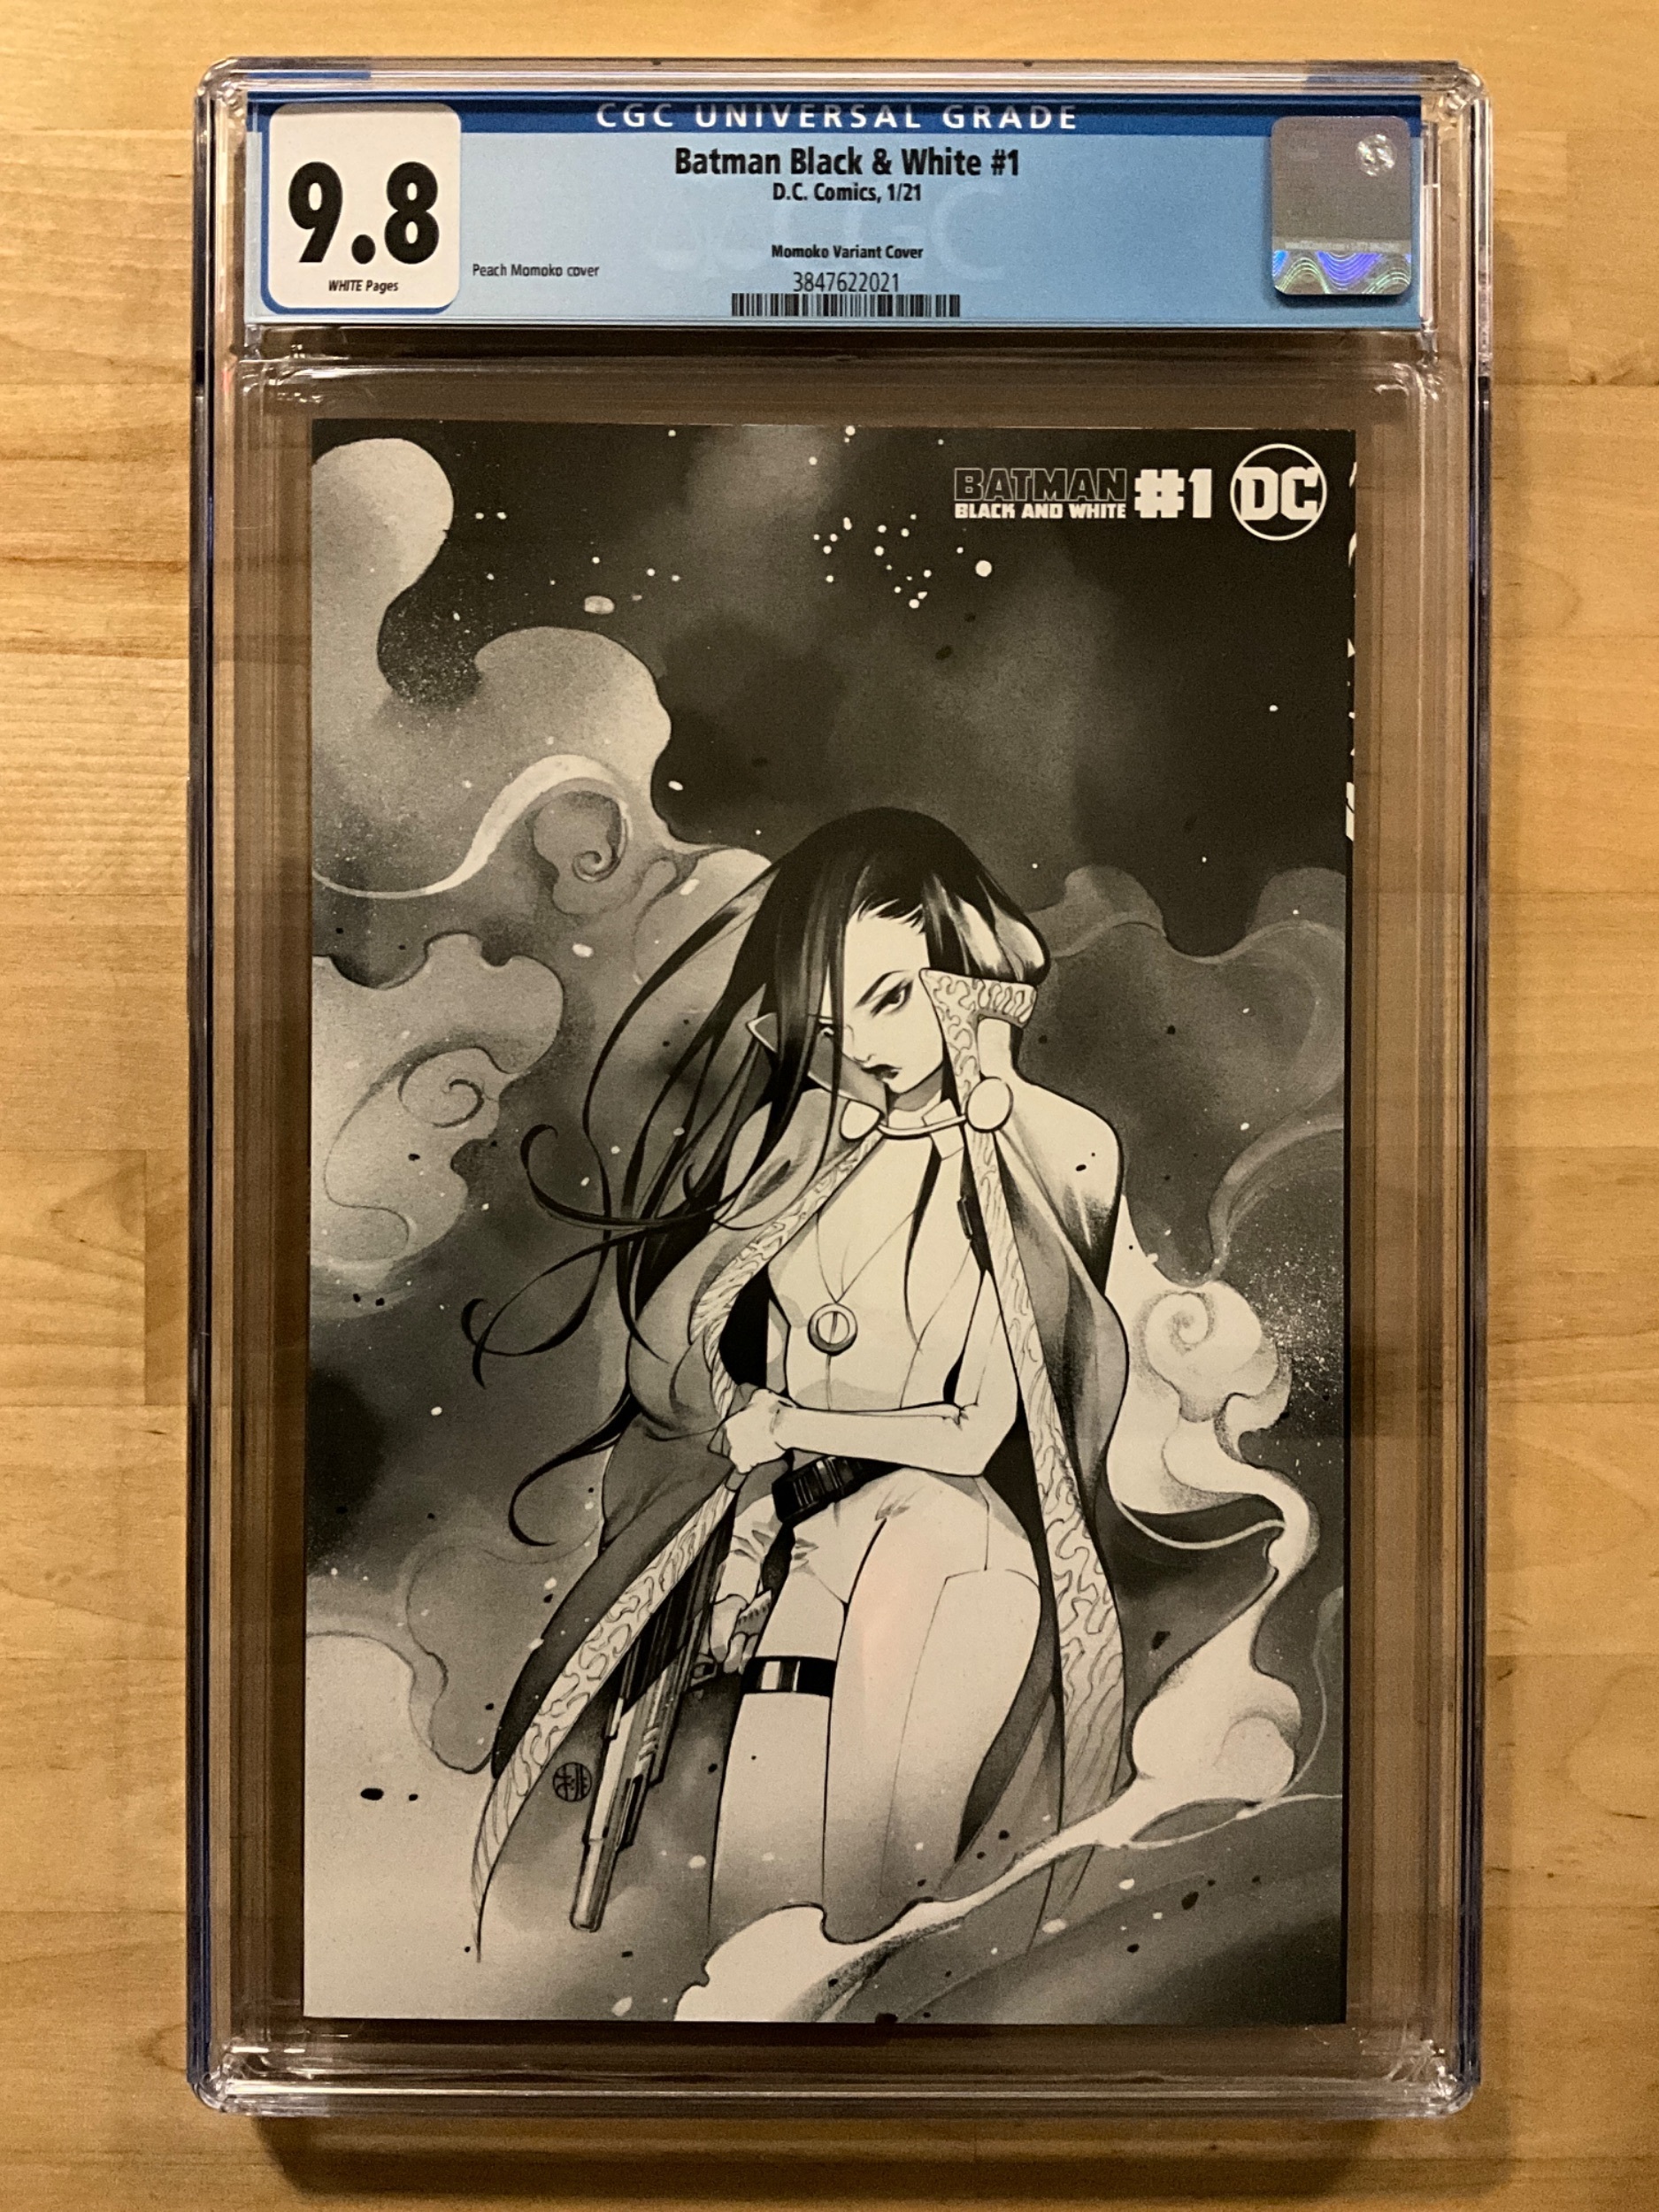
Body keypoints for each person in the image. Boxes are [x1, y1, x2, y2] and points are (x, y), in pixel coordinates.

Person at [467, 809, 1140, 1948]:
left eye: (894, 997)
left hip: (947, 1553)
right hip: (807, 1550)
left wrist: (781, 1423)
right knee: (756, 1919)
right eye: (832, 1020)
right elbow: (696, 1379)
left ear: (970, 965)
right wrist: (743, 1530)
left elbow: (979, 1426)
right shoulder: (792, 1144)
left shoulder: (1050, 1146)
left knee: (878, 1921)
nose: (867, 1046)